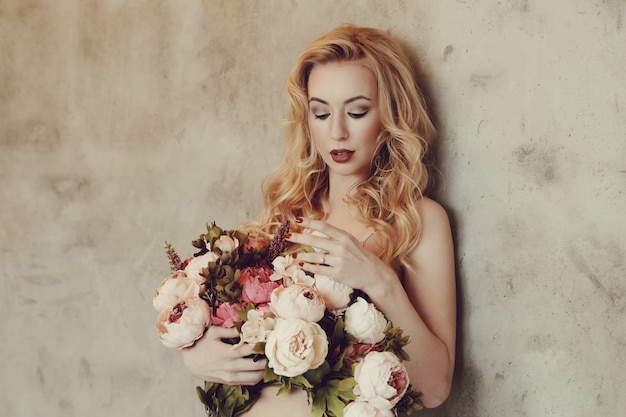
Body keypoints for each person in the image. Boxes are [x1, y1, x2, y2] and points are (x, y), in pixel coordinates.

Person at [179, 24, 456, 415]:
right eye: (321, 112)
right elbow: (234, 336)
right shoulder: (281, 216)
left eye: (357, 111)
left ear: (390, 114)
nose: (337, 132)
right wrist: (195, 354)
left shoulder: (418, 220)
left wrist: (379, 280)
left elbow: (436, 386)